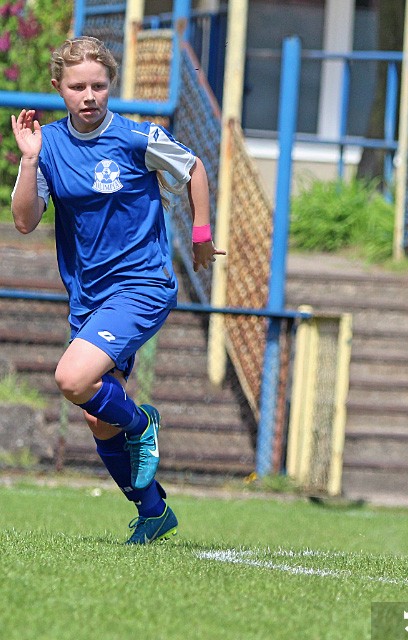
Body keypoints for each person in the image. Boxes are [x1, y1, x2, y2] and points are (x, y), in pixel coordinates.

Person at [10, 36, 225, 545]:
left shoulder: (135, 138)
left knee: (71, 377)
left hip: (142, 283)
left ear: (111, 87)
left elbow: (194, 168)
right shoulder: (51, 147)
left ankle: (140, 424)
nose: (89, 95)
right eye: (78, 86)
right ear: (59, 89)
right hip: (89, 294)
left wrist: (201, 234)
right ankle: (153, 514)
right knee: (94, 414)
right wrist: (28, 160)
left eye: (99, 85)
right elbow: (23, 222)